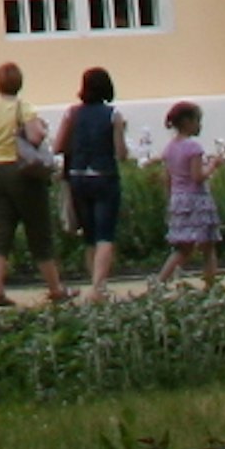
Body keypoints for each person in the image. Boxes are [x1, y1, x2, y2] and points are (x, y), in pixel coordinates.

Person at [0, 58, 63, 307]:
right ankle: (55, 288)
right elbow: (35, 136)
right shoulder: (25, 108)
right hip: (21, 171)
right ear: (19, 83)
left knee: (0, 232)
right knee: (39, 229)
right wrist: (42, 131)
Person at [57, 67, 134, 298]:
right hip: (104, 176)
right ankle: (98, 287)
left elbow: (58, 146)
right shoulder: (113, 115)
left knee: (89, 235)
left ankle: (95, 282)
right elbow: (121, 153)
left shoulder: (72, 113)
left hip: (78, 176)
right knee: (105, 234)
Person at [156, 102, 222, 286]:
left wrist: (170, 201)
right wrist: (213, 166)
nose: (199, 126)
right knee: (208, 246)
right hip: (197, 200)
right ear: (187, 122)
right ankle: (210, 285)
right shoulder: (194, 147)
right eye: (197, 121)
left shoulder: (169, 148)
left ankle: (160, 282)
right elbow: (197, 176)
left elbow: (167, 178)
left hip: (179, 199)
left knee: (182, 248)